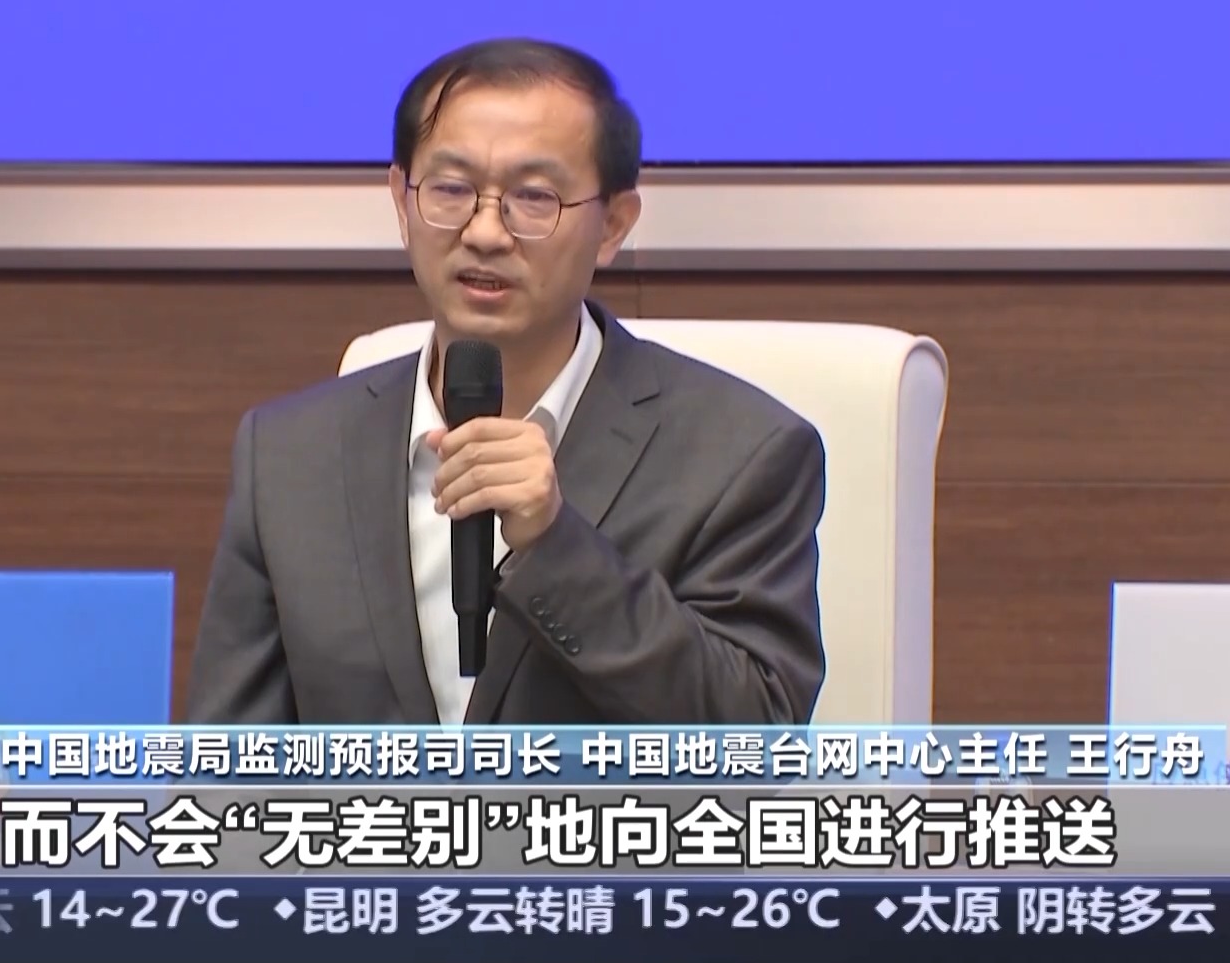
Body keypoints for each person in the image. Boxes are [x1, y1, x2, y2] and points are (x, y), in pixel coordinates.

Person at [184, 38, 825, 726]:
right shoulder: (287, 457)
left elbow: (756, 735)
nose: (486, 232)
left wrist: (555, 545)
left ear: (613, 225)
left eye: (533, 197)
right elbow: (232, 764)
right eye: (451, 190)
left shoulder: (742, 454)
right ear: (401, 200)